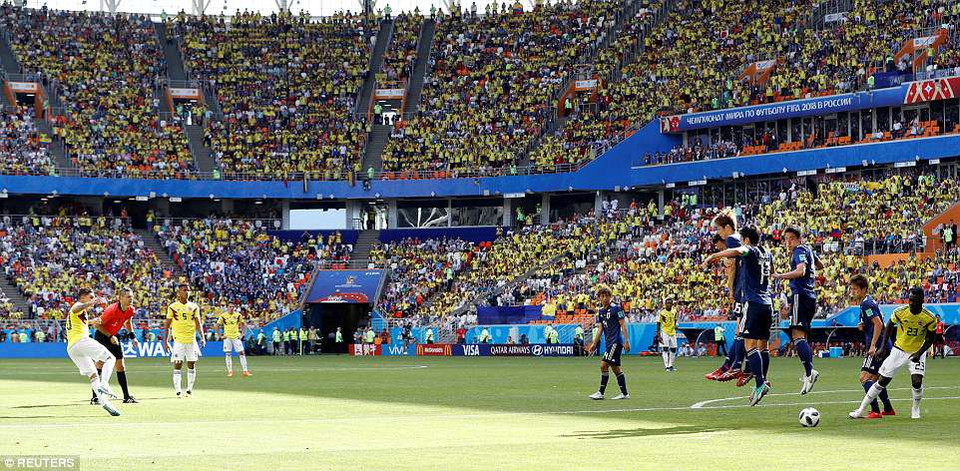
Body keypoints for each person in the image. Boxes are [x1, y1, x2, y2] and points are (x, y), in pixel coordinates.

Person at [703, 225, 773, 405]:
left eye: (742, 238)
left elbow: (738, 250)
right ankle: (763, 380)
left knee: (749, 345)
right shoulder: (767, 253)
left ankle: (759, 383)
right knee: (763, 346)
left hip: (753, 302)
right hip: (768, 303)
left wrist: (714, 256)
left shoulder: (749, 249)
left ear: (747, 239)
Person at [850, 287, 938, 420]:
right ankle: (861, 409)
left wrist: (919, 353)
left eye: (914, 301)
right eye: (910, 300)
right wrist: (882, 347)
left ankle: (915, 408)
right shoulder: (900, 312)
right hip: (899, 350)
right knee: (881, 380)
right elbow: (889, 326)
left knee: (917, 381)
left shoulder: (929, 318)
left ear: (922, 300)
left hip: (917, 351)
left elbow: (931, 338)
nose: (911, 303)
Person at [771, 226, 823, 394]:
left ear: (799, 239)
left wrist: (779, 275)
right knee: (801, 336)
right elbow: (819, 264)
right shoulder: (807, 249)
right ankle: (809, 371)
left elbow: (800, 271)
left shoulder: (799, 250)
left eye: (791, 238)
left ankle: (809, 373)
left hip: (800, 295)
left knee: (797, 336)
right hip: (810, 296)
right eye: (786, 239)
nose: (788, 242)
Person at [705, 219, 749, 386]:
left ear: (728, 228)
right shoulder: (739, 241)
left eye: (719, 229)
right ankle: (729, 366)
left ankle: (734, 366)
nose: (720, 233)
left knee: (741, 330)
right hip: (745, 289)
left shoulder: (732, 239)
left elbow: (731, 268)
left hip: (741, 290)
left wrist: (731, 292)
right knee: (744, 332)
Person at [67, 289, 121, 416]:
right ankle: (105, 384)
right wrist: (91, 303)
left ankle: (105, 403)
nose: (92, 299)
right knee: (110, 358)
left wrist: (92, 322)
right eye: (90, 297)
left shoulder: (81, 313)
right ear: (83, 297)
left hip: (72, 348)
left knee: (93, 375)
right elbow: (75, 308)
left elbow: (81, 323)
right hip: (81, 341)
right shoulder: (77, 306)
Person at [848, 275, 895, 419]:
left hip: (878, 346)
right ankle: (887, 408)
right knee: (876, 379)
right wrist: (863, 325)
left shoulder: (866, 304)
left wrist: (873, 345)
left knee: (864, 377)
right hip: (885, 345)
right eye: (852, 289)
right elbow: (875, 321)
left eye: (855, 289)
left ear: (863, 289)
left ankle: (875, 411)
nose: (852, 292)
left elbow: (879, 324)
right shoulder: (866, 303)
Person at [90, 288, 139, 405]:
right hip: (102, 335)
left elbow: (128, 322)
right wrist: (110, 335)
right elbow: (97, 325)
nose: (131, 299)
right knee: (100, 364)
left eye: (131, 296)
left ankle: (127, 397)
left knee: (120, 366)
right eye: (128, 297)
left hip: (114, 336)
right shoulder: (111, 310)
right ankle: (95, 397)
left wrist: (133, 337)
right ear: (120, 298)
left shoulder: (131, 309)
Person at [586, 285, 630, 400]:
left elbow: (623, 325)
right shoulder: (601, 312)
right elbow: (600, 328)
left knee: (603, 365)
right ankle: (625, 393)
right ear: (599, 298)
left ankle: (600, 392)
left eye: (606, 296)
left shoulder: (616, 309)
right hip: (609, 343)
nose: (604, 298)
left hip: (616, 342)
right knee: (615, 368)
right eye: (602, 296)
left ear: (610, 297)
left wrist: (626, 340)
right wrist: (594, 343)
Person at [163, 284, 205, 398]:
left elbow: (198, 323)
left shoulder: (194, 307)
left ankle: (189, 389)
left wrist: (202, 337)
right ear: (179, 292)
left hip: (191, 340)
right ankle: (178, 390)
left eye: (188, 290)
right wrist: (165, 341)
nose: (187, 292)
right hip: (178, 341)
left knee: (191, 364)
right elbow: (167, 325)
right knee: (178, 364)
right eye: (184, 290)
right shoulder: (173, 307)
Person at [217, 304, 251, 377]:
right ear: (227, 307)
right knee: (228, 354)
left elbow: (243, 324)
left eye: (233, 307)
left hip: (236, 336)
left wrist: (243, 334)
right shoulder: (223, 316)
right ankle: (230, 371)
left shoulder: (238, 315)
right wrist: (220, 336)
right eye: (230, 307)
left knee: (241, 352)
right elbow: (217, 325)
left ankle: (245, 371)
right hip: (227, 337)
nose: (231, 308)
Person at [656, 298, 678, 371]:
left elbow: (675, 319)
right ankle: (666, 366)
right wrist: (658, 335)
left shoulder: (674, 311)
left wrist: (675, 325)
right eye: (667, 303)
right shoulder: (662, 312)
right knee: (665, 348)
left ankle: (671, 365)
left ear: (672, 304)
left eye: (670, 303)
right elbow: (658, 323)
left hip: (672, 332)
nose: (668, 304)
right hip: (665, 332)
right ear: (665, 304)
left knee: (674, 349)